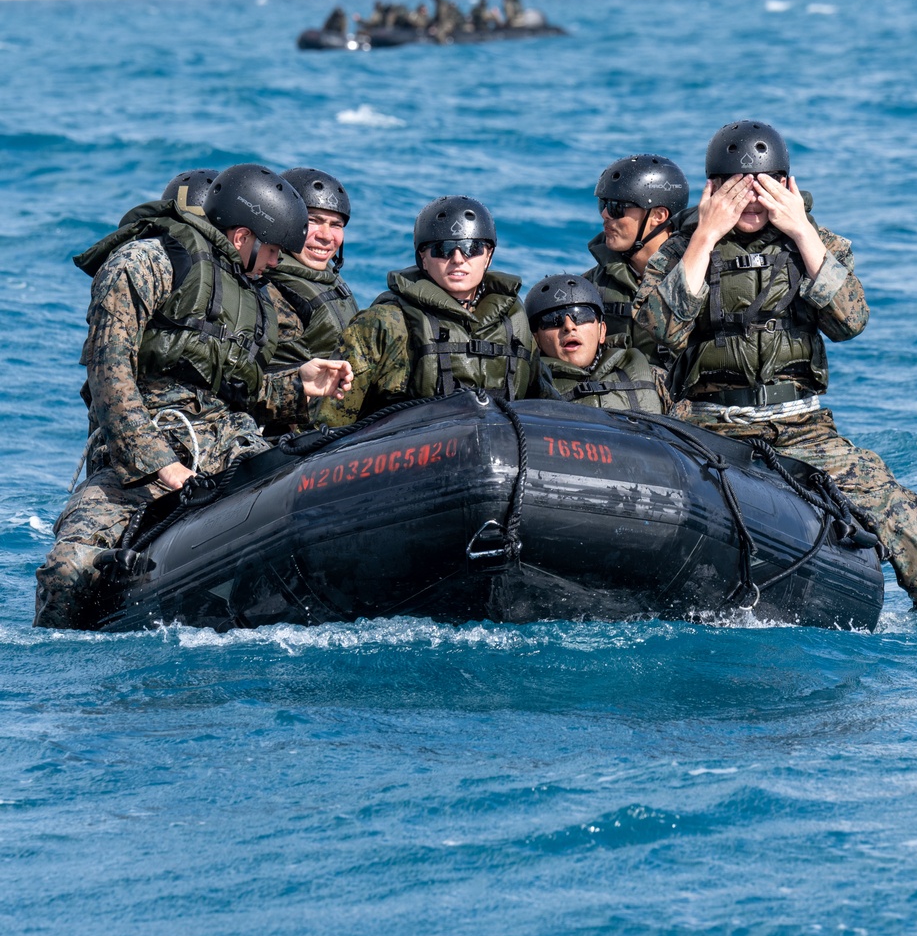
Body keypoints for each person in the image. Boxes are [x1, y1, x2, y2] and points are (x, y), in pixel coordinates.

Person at [632, 119, 917, 611]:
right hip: (707, 425)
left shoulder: (818, 245)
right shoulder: (680, 253)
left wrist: (800, 231)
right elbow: (655, 340)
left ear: (787, 185)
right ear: (713, 189)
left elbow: (850, 322)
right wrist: (704, 237)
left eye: (764, 186)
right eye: (737, 188)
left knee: (898, 511)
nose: (751, 200)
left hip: (802, 427)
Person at [35, 164, 353, 630]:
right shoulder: (144, 264)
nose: (275, 264)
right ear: (242, 235)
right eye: (270, 251)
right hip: (136, 462)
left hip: (229, 446)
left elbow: (244, 389)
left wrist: (298, 384)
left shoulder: (251, 293)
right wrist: (160, 464)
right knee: (68, 571)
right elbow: (111, 375)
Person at [318, 195, 558, 424]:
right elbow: (331, 418)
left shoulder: (514, 324)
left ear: (488, 256)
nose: (458, 259)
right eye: (442, 249)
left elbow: (548, 408)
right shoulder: (385, 323)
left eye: (471, 248)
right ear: (423, 258)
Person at [585, 154, 689, 378]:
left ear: (659, 215)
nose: (605, 214)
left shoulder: (697, 277)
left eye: (617, 207)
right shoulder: (590, 286)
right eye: (603, 204)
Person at [526, 275, 667, 413]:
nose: (569, 326)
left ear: (602, 330)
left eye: (581, 315)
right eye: (552, 319)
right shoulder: (525, 387)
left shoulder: (653, 378)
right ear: (536, 338)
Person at [264, 167, 358, 368]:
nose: (326, 236)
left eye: (336, 225)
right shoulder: (267, 290)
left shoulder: (326, 279)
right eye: (313, 220)